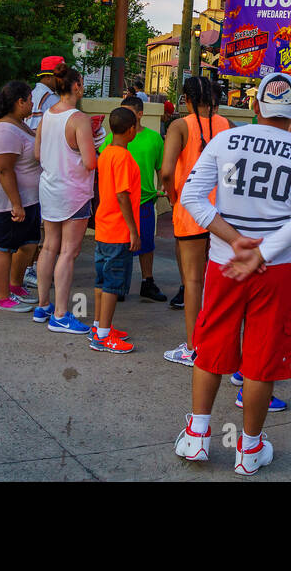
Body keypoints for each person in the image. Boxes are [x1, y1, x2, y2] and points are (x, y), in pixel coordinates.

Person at [173, 73, 291, 475]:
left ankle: (198, 437)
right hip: (274, 270)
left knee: (211, 345)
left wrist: (235, 239)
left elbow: (190, 196)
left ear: (256, 107)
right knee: (261, 359)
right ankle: (249, 450)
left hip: (224, 262)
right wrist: (264, 252)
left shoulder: (225, 141)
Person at [160, 76, 232, 364]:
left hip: (190, 212)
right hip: (222, 213)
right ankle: (217, 341)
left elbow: (166, 171)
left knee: (192, 281)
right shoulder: (226, 125)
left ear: (187, 100)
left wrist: (172, 194)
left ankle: (193, 347)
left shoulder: (179, 126)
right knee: (216, 279)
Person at [33, 64, 98, 334]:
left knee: (49, 247)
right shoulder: (79, 119)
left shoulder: (47, 114)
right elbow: (91, 161)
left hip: (49, 188)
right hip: (74, 192)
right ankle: (60, 315)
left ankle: (43, 305)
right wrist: (97, 139)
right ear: (76, 86)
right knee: (68, 252)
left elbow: (37, 154)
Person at [101, 95, 168, 302]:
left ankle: (147, 281)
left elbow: (160, 167)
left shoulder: (153, 139)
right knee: (120, 247)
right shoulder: (111, 142)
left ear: (140, 114)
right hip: (118, 204)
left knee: (146, 243)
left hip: (144, 200)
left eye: (129, 112)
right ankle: (117, 286)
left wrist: (163, 185)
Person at [0, 81, 40, 312]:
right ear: (20, 101)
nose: (32, 103)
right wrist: (16, 203)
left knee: (29, 243)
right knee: (3, 247)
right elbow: (4, 169)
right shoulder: (5, 130)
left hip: (28, 198)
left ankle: (15, 286)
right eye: (29, 99)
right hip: (8, 200)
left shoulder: (19, 124)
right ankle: (3, 297)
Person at [90, 107, 141, 352]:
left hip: (103, 227)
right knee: (112, 283)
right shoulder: (123, 158)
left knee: (101, 280)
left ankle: (100, 326)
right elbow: (122, 195)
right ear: (131, 130)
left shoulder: (106, 153)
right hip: (118, 230)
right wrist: (133, 230)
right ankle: (103, 336)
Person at [21, 55, 65, 290]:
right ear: (50, 76)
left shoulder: (32, 94)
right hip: (42, 165)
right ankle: (33, 270)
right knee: (42, 223)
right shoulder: (50, 100)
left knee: (32, 219)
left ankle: (27, 269)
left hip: (26, 164)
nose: (62, 80)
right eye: (60, 75)